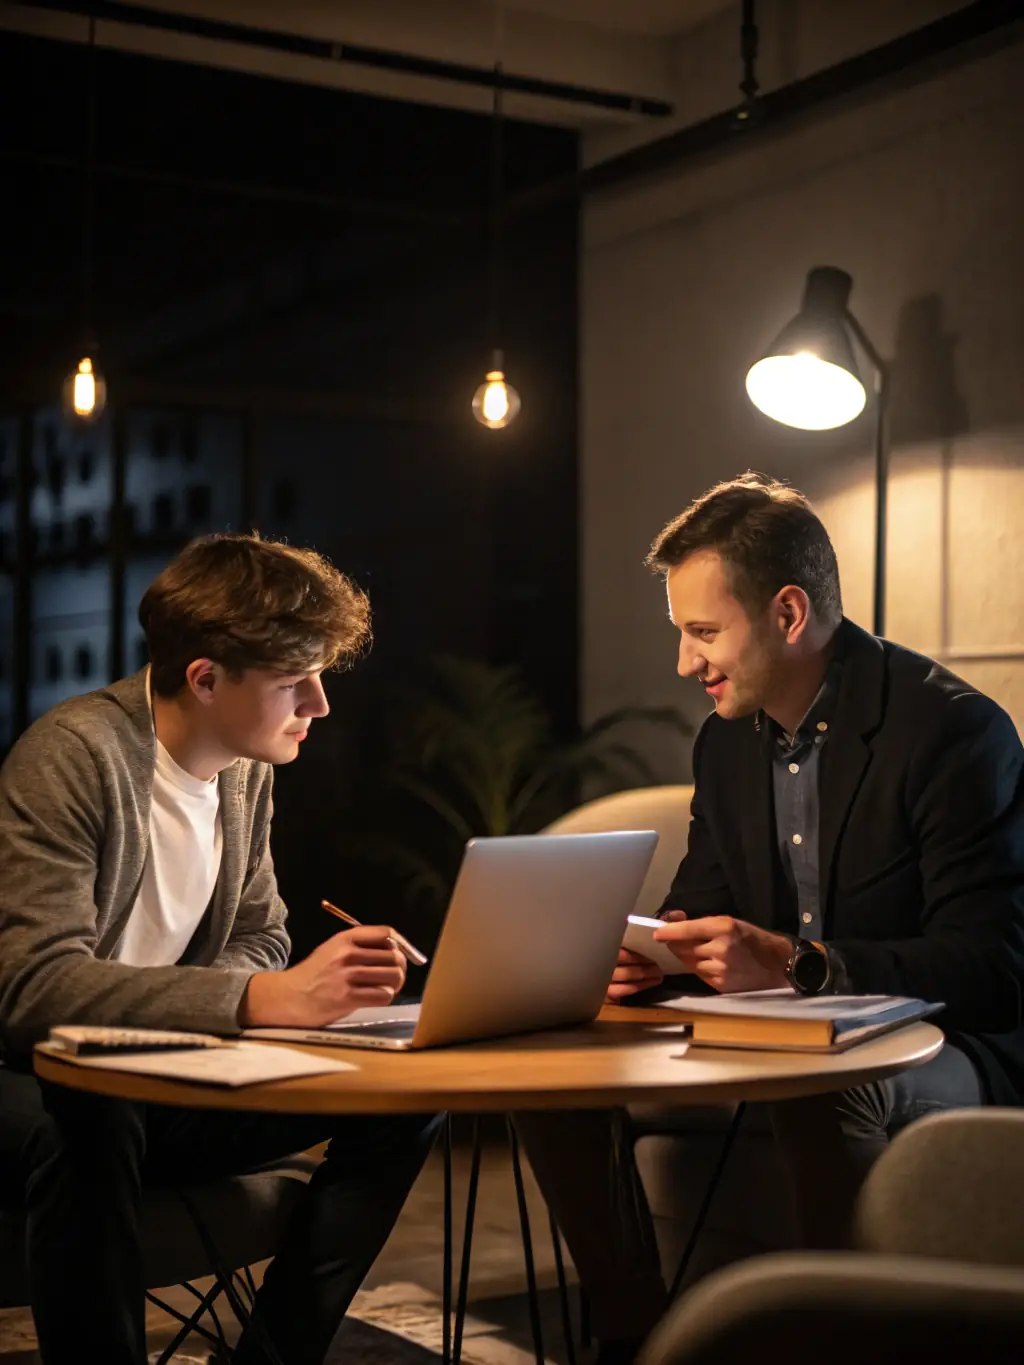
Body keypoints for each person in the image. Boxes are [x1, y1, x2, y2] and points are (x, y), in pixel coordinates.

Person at [525, 471, 1024, 1340]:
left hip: (950, 1042)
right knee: (552, 1072)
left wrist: (802, 967)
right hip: (773, 1036)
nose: (686, 663)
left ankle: (838, 1343)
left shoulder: (952, 731)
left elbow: (994, 965)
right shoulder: (725, 743)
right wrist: (645, 961)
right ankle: (635, 1335)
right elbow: (696, 911)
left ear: (788, 613)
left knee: (820, 1086)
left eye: (703, 632)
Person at [0, 533, 442, 1365]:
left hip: (166, 1070)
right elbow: (35, 989)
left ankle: (274, 1357)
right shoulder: (74, 756)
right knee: (89, 1114)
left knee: (408, 1096)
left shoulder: (244, 769)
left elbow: (260, 932)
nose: (319, 704)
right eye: (293, 681)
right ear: (205, 679)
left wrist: (253, 997)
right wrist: (261, 999)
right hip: (34, 1076)